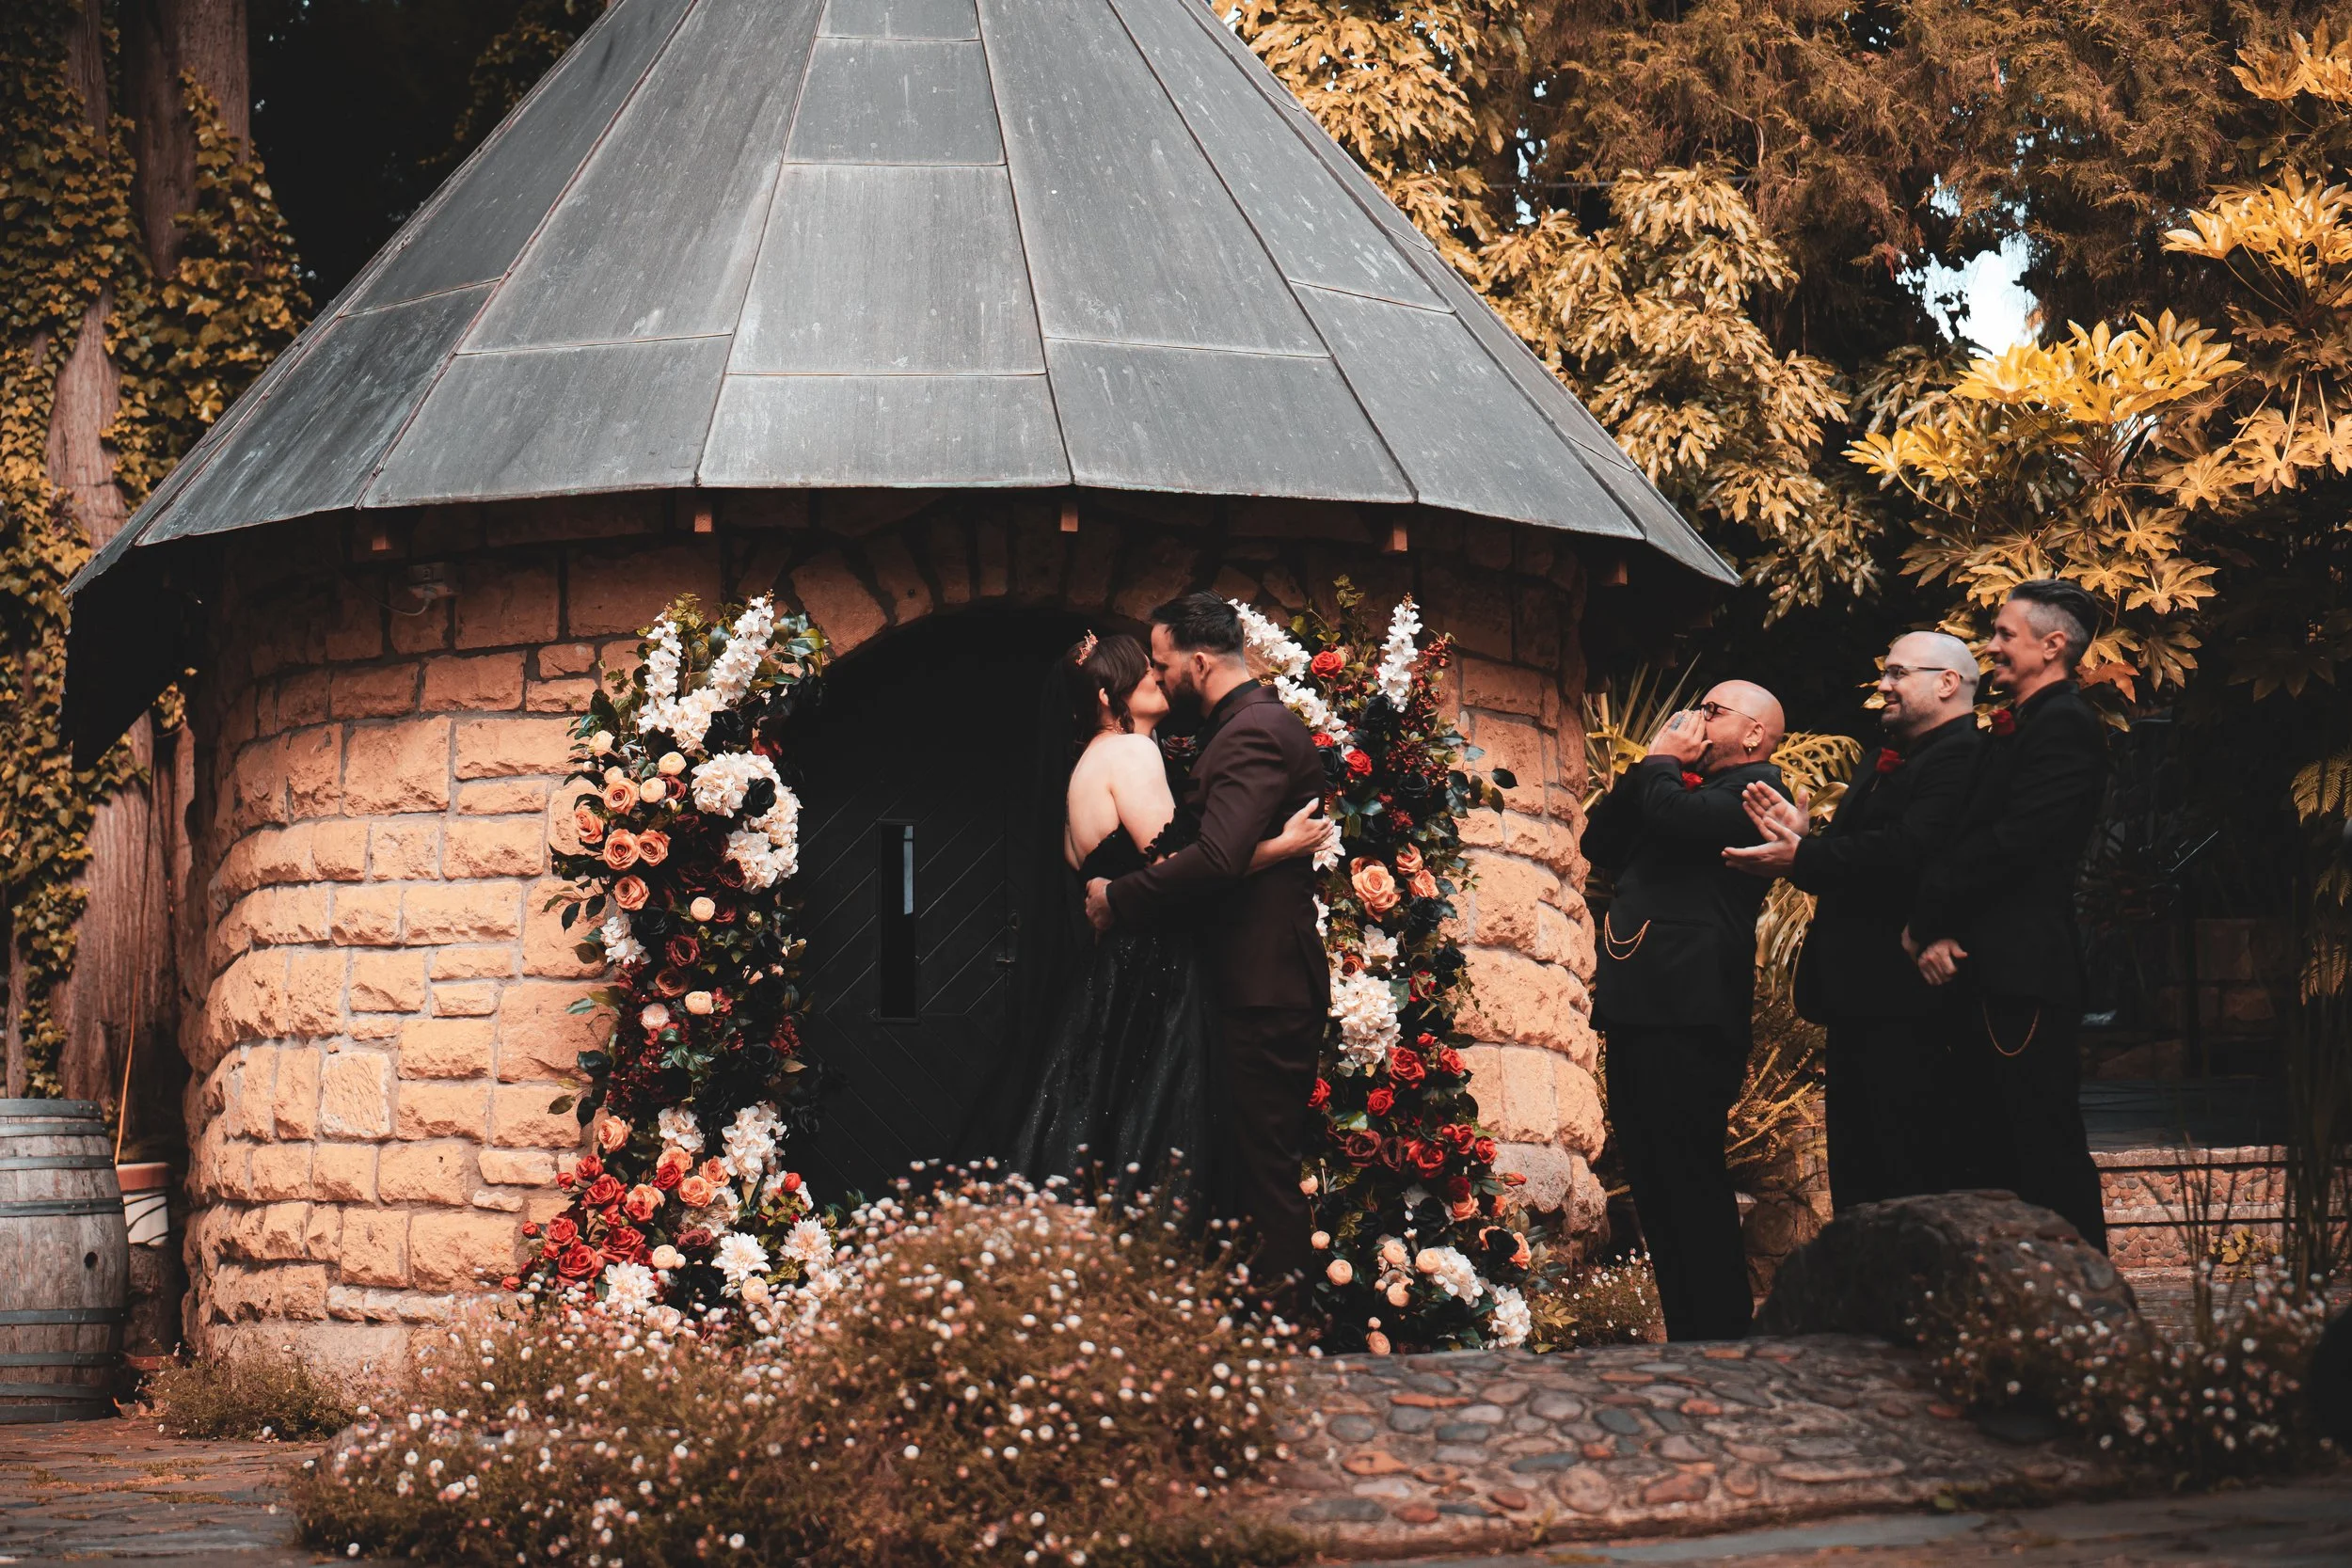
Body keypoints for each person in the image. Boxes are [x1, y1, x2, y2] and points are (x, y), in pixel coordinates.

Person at [1003, 632, 1331, 1207]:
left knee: (1096, 1136)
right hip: (1154, 972)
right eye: (1146, 673)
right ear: (1109, 697)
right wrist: (1282, 846)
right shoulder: (1130, 753)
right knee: (1153, 1141)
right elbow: (1185, 867)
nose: (1160, 678)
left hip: (1109, 973)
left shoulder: (1083, 768)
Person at [1084, 594, 1330, 1294]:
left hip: (1263, 988)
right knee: (1243, 1170)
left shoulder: (1252, 731)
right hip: (1252, 984)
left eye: (1162, 667)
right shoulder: (1246, 725)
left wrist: (1117, 898)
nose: (1157, 681)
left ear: (1198, 660)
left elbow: (1218, 856)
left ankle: (1282, 1343)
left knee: (1262, 1176)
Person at [1724, 632, 1985, 1211]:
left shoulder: (1965, 757)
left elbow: (1910, 851)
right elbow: (1857, 856)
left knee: (1906, 1174)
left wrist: (1804, 855)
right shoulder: (1888, 754)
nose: (1884, 686)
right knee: (1860, 1179)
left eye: (1897, 674)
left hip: (1913, 1000)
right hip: (1860, 1000)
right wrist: (1803, 838)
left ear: (1948, 683)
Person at [1904, 579, 2110, 1249]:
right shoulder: (2018, 725)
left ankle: (2086, 1306)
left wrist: (1930, 913)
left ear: (2053, 647)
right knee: (1987, 1148)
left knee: (2041, 1147)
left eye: (2003, 634)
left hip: (2021, 970)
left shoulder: (2066, 726)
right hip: (1984, 965)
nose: (1989, 645)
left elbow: (2016, 841)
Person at [1583, 680, 1789, 1340]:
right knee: (1651, 1177)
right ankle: (1687, 1334)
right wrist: (1653, 764)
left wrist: (1661, 764)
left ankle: (1723, 1334)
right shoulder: (1668, 781)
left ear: (1755, 733)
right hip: (1640, 1005)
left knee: (1690, 1174)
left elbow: (1677, 821)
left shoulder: (1761, 793)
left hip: (1693, 1011)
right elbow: (1600, 842)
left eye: (1713, 710)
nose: (1695, 717)